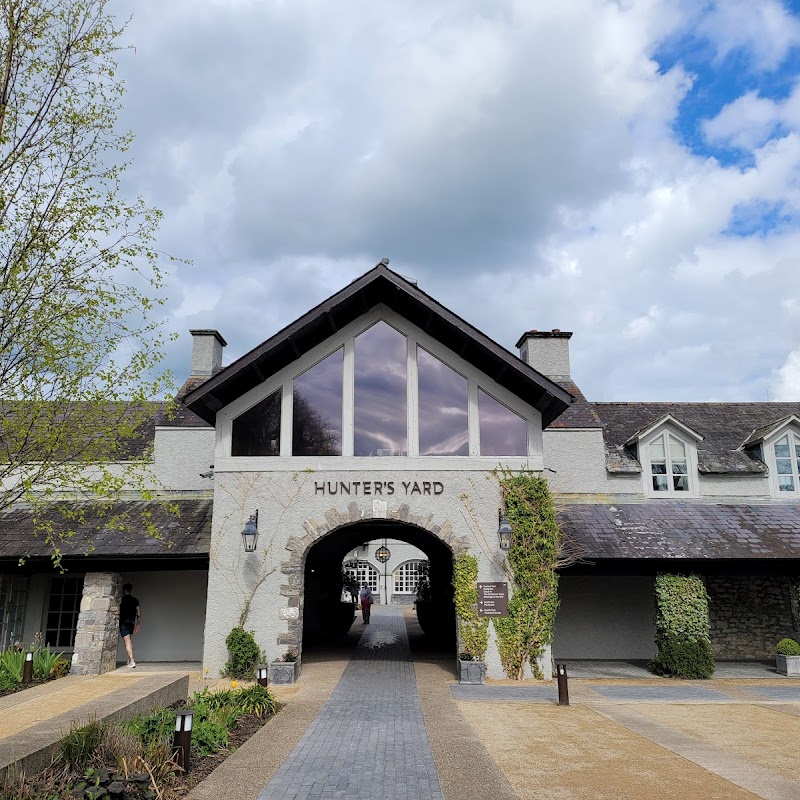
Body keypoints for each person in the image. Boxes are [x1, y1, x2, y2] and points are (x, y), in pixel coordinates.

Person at [119, 583, 141, 668]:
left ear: (124, 590)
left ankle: (132, 661)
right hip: (131, 623)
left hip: (123, 623)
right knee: (129, 641)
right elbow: (139, 613)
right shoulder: (135, 600)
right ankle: (129, 660)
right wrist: (138, 624)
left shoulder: (121, 600)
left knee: (127, 642)